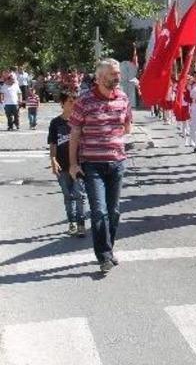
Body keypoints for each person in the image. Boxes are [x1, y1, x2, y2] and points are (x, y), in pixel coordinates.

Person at [68, 59, 133, 273]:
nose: (118, 77)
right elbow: (75, 133)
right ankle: (103, 255)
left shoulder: (123, 97)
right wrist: (73, 164)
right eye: (113, 74)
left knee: (113, 211)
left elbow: (127, 126)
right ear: (100, 77)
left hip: (117, 163)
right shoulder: (84, 101)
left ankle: (108, 249)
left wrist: (112, 140)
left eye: (118, 74)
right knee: (99, 211)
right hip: (92, 165)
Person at [48, 90, 88, 238]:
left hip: (78, 165)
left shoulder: (80, 122)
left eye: (76, 102)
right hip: (62, 165)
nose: (74, 104)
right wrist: (53, 160)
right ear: (62, 103)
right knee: (68, 195)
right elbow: (52, 143)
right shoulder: (56, 123)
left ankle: (81, 224)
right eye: (70, 101)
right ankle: (71, 222)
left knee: (80, 194)